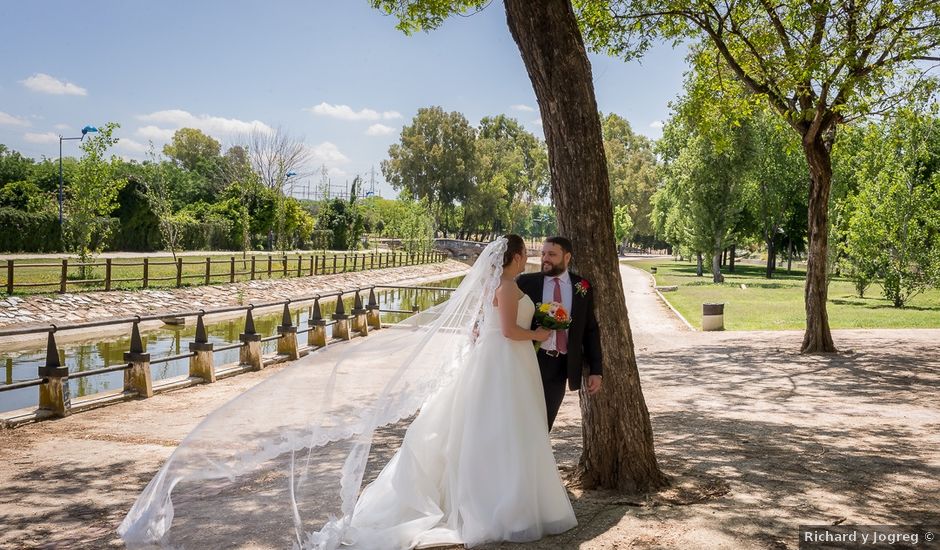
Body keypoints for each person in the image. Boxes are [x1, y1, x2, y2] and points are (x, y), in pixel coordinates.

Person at [118, 235, 577, 549]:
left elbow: (485, 330)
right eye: (526, 253)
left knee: (508, 432)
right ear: (512, 258)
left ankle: (511, 499)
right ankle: (496, 505)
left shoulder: (513, 286)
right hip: (505, 362)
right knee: (494, 431)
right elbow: (505, 332)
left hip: (506, 368)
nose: (531, 257)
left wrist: (533, 329)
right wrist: (538, 335)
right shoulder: (503, 290)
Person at [517, 236, 603, 430]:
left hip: (561, 367)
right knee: (521, 418)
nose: (545, 258)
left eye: (552, 254)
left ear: (567, 257)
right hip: (530, 360)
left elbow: (590, 330)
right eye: (543, 254)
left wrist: (596, 370)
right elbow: (503, 309)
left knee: (545, 422)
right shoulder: (526, 282)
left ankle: (536, 459)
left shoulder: (582, 287)